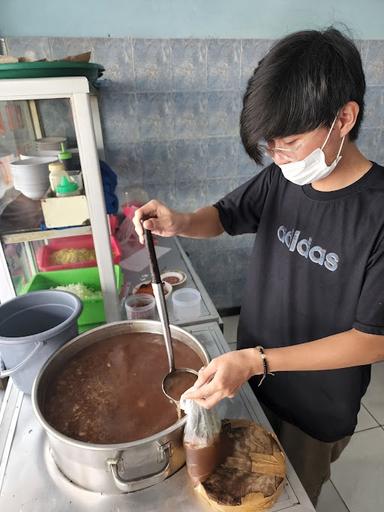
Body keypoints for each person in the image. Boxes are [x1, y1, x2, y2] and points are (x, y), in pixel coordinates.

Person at [133, 27, 384, 506]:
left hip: (316, 410)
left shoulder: (378, 213)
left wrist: (258, 360)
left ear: (344, 118)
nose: (279, 156)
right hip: (251, 383)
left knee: (288, 495)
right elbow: (226, 217)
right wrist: (180, 221)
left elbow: (372, 340)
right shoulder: (283, 178)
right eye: (271, 146)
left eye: (288, 141)